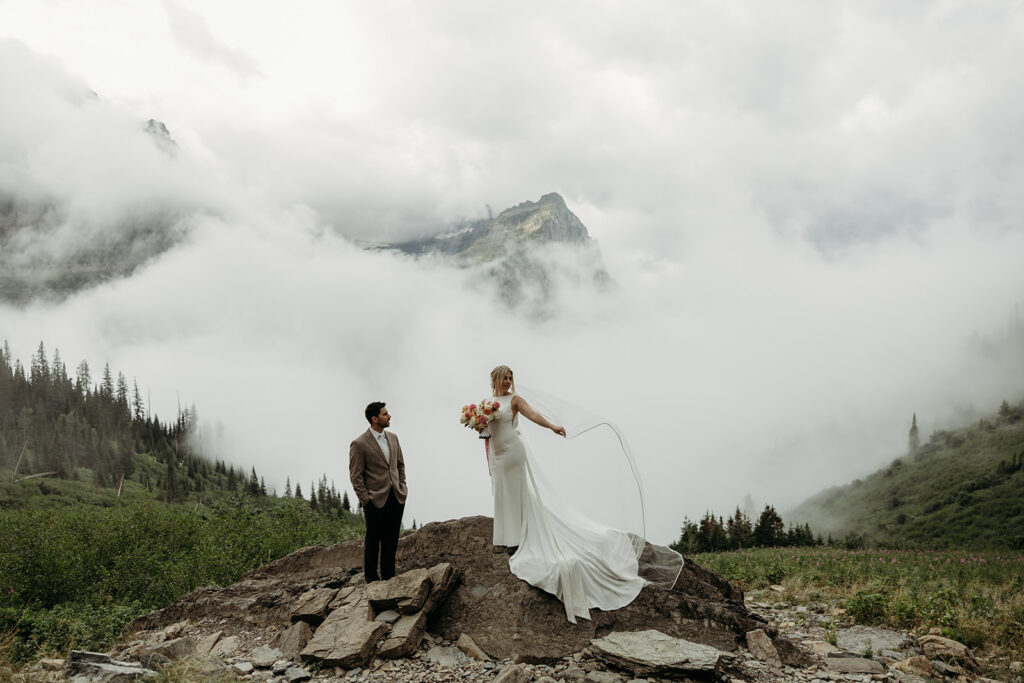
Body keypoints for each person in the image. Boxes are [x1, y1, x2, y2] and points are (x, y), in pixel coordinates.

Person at [484, 365, 682, 623]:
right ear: (496, 379)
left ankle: (519, 537)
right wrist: (488, 460)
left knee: (518, 493)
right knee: (503, 493)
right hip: (497, 455)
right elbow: (485, 434)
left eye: (511, 377)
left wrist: (553, 426)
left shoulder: (515, 400)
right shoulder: (485, 404)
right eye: (505, 377)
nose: (509, 381)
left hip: (513, 451)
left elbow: (532, 415)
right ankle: (507, 535)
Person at [349, 401, 407, 583]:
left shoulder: (393, 438)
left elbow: (399, 465)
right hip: (374, 499)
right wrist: (366, 500)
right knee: (373, 541)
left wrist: (402, 486)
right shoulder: (359, 443)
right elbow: (355, 476)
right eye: (385, 414)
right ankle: (372, 580)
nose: (389, 416)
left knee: (391, 540)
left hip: (396, 495)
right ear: (374, 419)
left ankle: (389, 577)